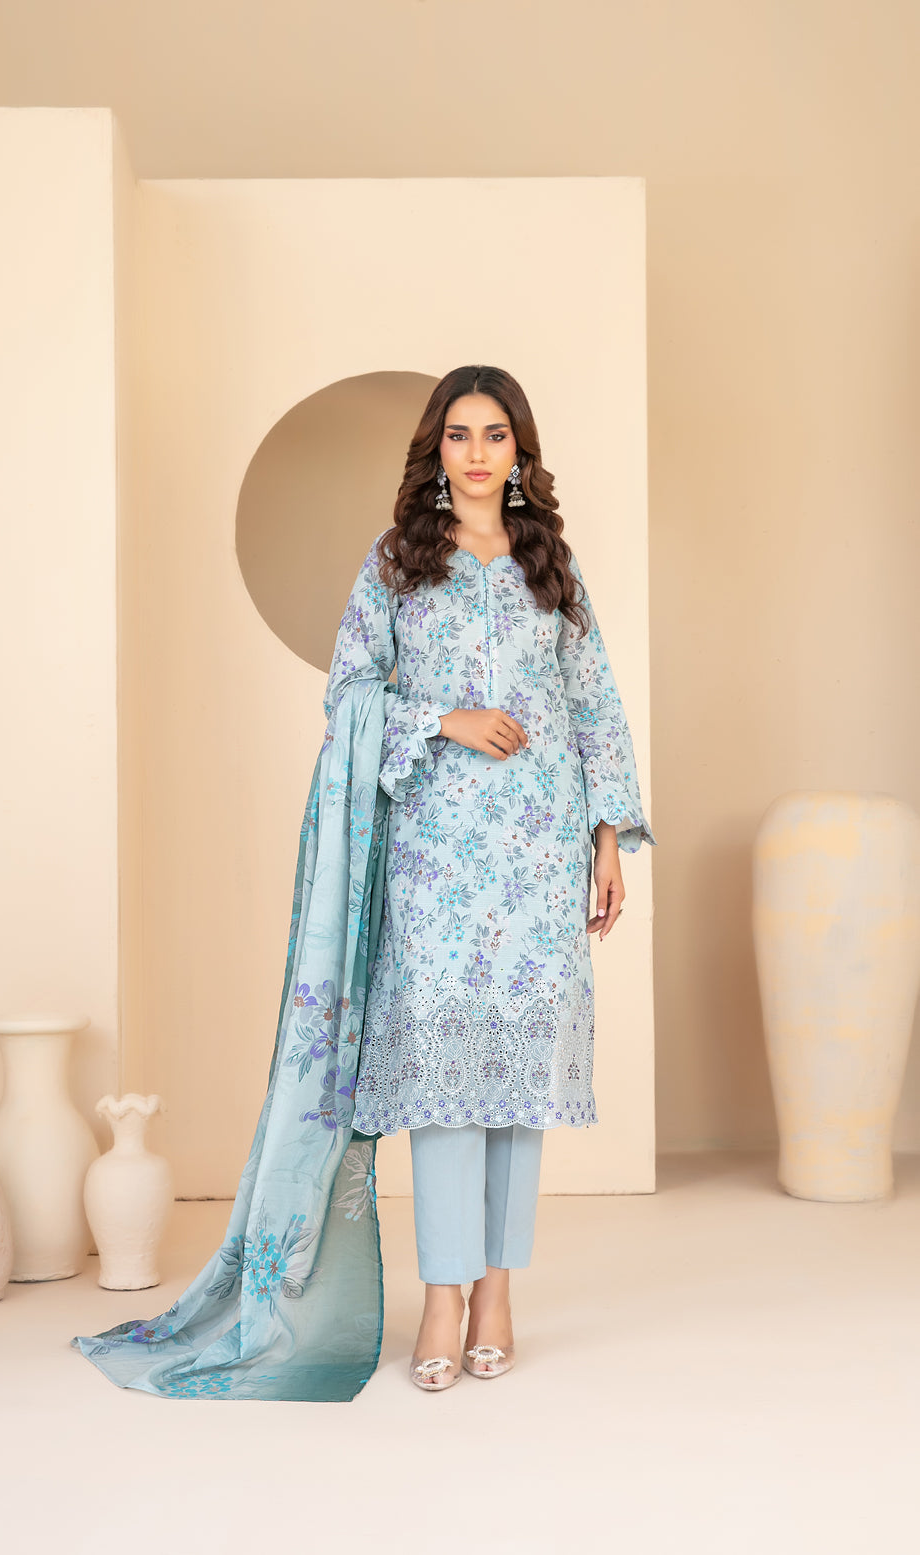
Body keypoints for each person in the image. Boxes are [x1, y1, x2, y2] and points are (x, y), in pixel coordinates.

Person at [322, 363, 656, 1391]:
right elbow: (347, 696)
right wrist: (444, 719)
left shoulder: (550, 563)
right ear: (436, 449)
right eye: (459, 434)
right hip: (435, 852)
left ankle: (496, 1292)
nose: (476, 452)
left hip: (538, 848)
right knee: (441, 1077)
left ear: (519, 451)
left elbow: (592, 702)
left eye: (495, 434)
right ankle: (441, 1294)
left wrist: (606, 836)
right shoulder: (397, 562)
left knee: (514, 1078)